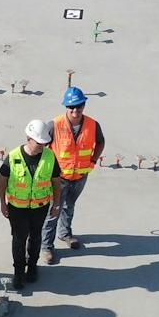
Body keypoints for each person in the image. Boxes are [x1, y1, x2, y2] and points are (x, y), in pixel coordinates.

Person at [43, 86, 105, 264]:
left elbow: (100, 142)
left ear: (84, 105)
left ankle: (65, 234)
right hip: (58, 179)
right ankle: (47, 247)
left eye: (78, 106)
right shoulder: (54, 125)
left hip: (80, 177)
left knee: (69, 206)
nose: (75, 111)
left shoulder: (93, 125)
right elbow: (41, 146)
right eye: (71, 107)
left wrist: (92, 161)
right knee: (53, 211)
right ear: (66, 107)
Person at [0, 120, 64, 290]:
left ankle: (32, 267)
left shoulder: (50, 157)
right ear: (28, 138)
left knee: (35, 237)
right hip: (17, 208)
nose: (42, 146)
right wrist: (2, 203)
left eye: (44, 143)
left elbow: (56, 182)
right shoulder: (13, 156)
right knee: (19, 240)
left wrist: (56, 204)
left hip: (39, 207)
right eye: (39, 142)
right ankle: (18, 272)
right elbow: (2, 180)